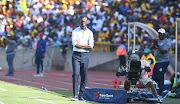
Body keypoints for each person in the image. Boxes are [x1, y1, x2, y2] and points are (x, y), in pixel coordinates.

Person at [71, 15, 94, 101]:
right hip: (76, 55)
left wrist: (80, 45)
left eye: (84, 21)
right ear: (79, 21)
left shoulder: (90, 33)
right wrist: (85, 46)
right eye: (81, 21)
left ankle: (81, 95)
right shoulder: (75, 31)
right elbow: (75, 44)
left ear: (86, 22)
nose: (83, 23)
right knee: (76, 74)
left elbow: (91, 46)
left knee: (84, 76)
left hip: (85, 55)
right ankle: (75, 95)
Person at [150, 28, 171, 96]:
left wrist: (157, 45)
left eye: (161, 33)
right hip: (158, 61)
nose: (160, 35)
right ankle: (163, 89)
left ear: (164, 34)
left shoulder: (167, 42)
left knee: (160, 77)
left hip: (163, 61)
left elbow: (163, 51)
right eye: (159, 33)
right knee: (154, 77)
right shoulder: (157, 41)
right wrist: (154, 44)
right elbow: (150, 48)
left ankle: (161, 92)